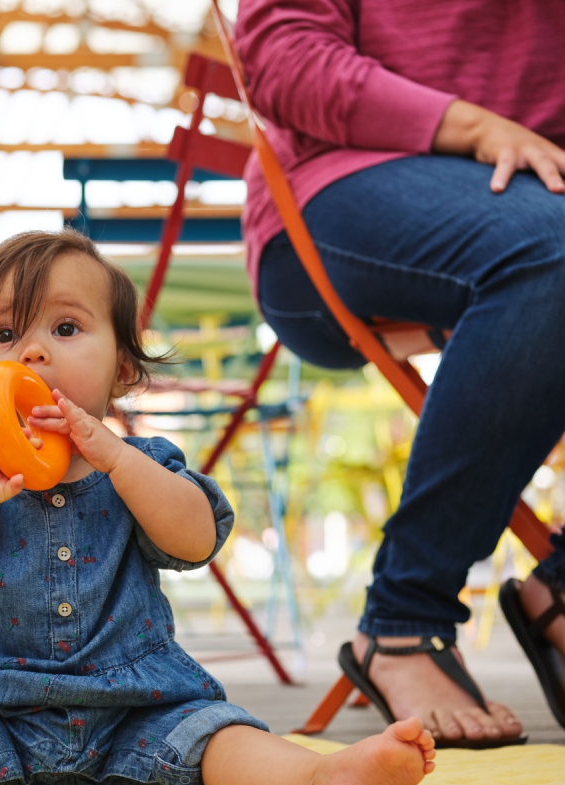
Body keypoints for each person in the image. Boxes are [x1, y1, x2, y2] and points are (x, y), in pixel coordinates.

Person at [0, 229, 435, 785]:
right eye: (6, 333)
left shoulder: (143, 466)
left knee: (219, 737)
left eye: (65, 327)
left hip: (140, 707)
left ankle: (317, 781)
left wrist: (118, 459)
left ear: (123, 369)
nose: (33, 351)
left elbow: (197, 538)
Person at [237, 0, 565, 747]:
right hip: (335, 194)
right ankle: (404, 623)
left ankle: (560, 586)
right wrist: (478, 126)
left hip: (532, 191)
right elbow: (285, 64)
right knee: (555, 254)